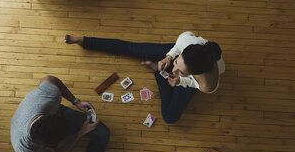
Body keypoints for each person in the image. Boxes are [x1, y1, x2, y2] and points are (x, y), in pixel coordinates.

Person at [65, 31, 225, 124]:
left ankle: (157, 70)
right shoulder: (186, 41)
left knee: (170, 117)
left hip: (193, 80)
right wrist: (168, 58)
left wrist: (180, 80)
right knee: (134, 48)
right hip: (184, 59)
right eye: (176, 64)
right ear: (183, 54)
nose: (173, 69)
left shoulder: (207, 85)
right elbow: (177, 47)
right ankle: (84, 41)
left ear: (192, 74)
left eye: (180, 71)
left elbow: (192, 82)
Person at [10, 75, 127, 152]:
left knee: (103, 133)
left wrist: (76, 101)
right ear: (49, 145)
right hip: (38, 144)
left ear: (43, 116)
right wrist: (79, 133)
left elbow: (50, 79)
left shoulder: (47, 97)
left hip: (53, 116)